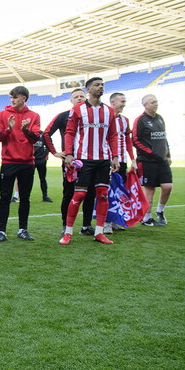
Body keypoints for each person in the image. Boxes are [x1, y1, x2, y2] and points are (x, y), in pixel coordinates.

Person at [59, 77, 120, 245]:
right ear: (88, 89)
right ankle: (68, 232)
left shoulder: (109, 111)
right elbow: (69, 132)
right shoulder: (78, 109)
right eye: (97, 85)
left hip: (103, 159)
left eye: (102, 85)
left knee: (102, 195)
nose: (101, 87)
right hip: (84, 159)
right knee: (78, 194)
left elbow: (113, 135)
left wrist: (115, 156)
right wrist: (69, 154)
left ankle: (99, 232)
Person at [42, 88, 96, 235]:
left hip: (91, 160)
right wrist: (55, 152)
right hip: (70, 163)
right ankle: (66, 225)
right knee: (69, 194)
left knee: (90, 193)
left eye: (82, 96)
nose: (79, 99)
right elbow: (46, 134)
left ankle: (86, 225)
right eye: (76, 97)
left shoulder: (93, 116)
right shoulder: (63, 116)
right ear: (71, 101)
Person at [0, 86, 42, 242]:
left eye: (15, 97)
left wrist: (26, 130)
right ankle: (1, 231)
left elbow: (35, 139)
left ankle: (23, 229)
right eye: (11, 97)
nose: (12, 100)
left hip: (27, 162)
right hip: (8, 162)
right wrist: (8, 129)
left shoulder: (34, 116)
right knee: (5, 197)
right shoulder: (2, 115)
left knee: (25, 198)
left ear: (24, 99)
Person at [132, 93, 172, 226]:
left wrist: (168, 154)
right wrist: (151, 152)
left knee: (167, 186)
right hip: (147, 161)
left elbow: (164, 138)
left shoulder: (160, 118)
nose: (156, 104)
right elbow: (135, 140)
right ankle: (146, 218)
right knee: (150, 189)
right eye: (153, 102)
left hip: (162, 160)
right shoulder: (140, 120)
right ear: (145, 105)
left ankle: (160, 211)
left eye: (156, 101)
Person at [107, 92, 136, 232]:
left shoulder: (124, 120)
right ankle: (106, 222)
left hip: (122, 160)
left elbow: (128, 141)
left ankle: (115, 220)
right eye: (122, 101)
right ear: (112, 102)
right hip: (108, 159)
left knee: (119, 191)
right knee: (107, 190)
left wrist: (133, 159)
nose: (124, 104)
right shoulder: (105, 117)